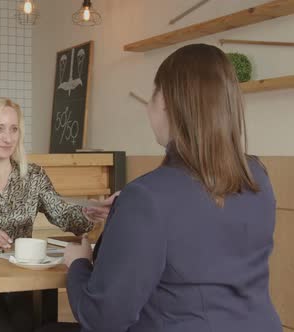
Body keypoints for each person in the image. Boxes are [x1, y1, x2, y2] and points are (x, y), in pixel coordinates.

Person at [40, 44, 282, 332]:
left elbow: (102, 318)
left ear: (164, 100)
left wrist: (79, 264)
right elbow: (202, 223)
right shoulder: (257, 175)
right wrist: (127, 210)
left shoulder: (148, 198)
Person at [0, 97, 109, 332]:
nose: (8, 138)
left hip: (19, 285)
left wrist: (89, 214)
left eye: (14, 129)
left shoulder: (34, 177)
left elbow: (64, 215)